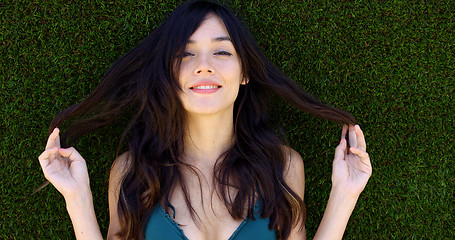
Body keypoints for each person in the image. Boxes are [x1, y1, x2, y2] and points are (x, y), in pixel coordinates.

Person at [38, 1, 372, 239]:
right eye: (185, 53)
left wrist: (345, 194)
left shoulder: (282, 166)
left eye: (222, 51)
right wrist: (77, 197)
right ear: (169, 74)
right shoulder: (132, 172)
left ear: (244, 73)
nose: (204, 65)